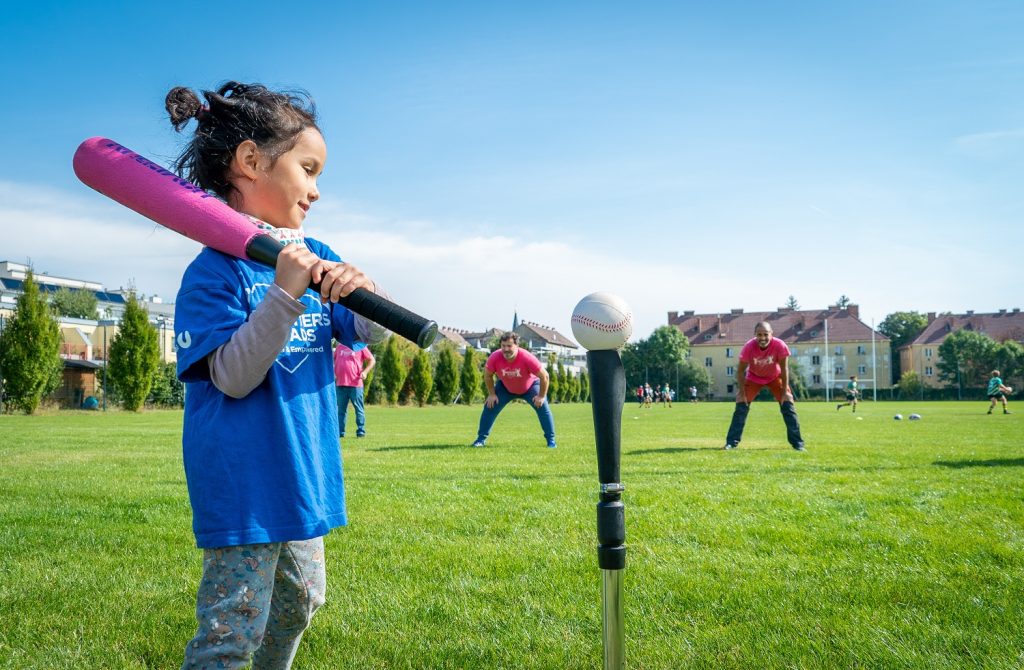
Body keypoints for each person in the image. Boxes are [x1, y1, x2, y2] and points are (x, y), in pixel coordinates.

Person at [168, 81, 389, 668]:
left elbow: (366, 334)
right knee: (231, 633)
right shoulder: (212, 274)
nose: (316, 190)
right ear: (250, 161)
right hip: (246, 485)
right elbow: (234, 377)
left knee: (300, 603)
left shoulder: (315, 251)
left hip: (303, 475)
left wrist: (367, 296)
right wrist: (284, 295)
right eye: (308, 168)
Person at [723, 321, 806, 451]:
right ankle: (731, 443)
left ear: (771, 334)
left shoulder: (780, 345)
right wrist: (742, 392)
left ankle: (798, 444)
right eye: (759, 335)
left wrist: (784, 392)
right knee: (741, 405)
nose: (762, 338)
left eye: (765, 334)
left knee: (788, 404)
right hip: (753, 378)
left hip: (775, 377)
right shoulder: (749, 347)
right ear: (755, 335)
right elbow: (740, 371)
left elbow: (784, 369)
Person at [472, 332, 556, 448]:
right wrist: (492, 394)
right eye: (503, 346)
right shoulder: (495, 357)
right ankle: (480, 440)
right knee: (490, 406)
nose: (506, 349)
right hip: (506, 387)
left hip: (530, 386)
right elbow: (487, 375)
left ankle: (551, 441)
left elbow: (545, 376)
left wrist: (541, 396)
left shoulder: (527, 357)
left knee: (542, 407)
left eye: (509, 346)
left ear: (517, 345)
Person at [333, 341, 375, 437]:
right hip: (340, 384)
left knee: (358, 409)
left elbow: (372, 360)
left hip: (355, 384)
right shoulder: (340, 346)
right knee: (340, 410)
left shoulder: (360, 346)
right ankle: (340, 432)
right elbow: (333, 359)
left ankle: (361, 431)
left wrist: (365, 372)